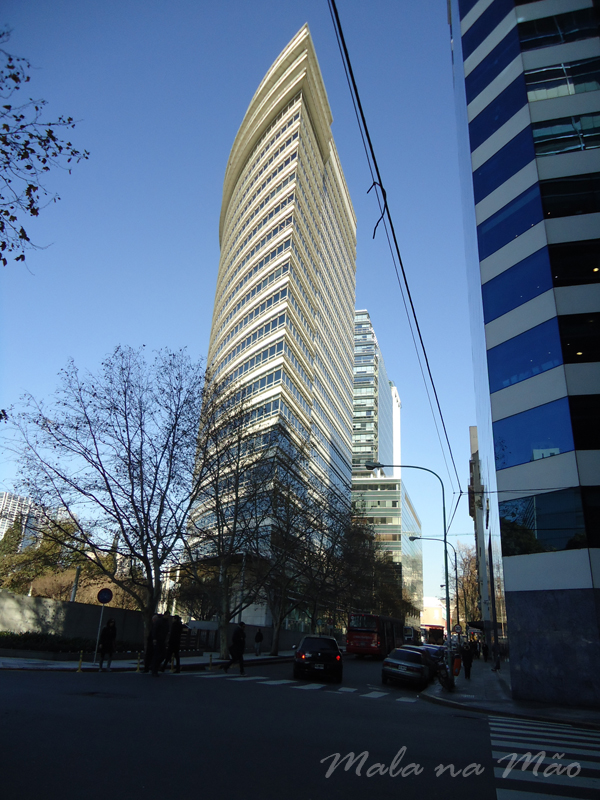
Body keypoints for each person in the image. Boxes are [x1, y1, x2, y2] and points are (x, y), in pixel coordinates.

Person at [151, 613, 170, 677]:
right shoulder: (159, 621)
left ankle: (155, 666)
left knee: (163, 655)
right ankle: (154, 669)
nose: (168, 617)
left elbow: (167, 631)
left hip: (162, 640)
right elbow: (155, 629)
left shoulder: (166, 623)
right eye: (167, 616)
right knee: (157, 655)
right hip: (158, 640)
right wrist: (154, 638)